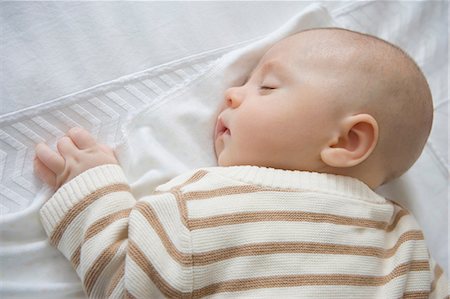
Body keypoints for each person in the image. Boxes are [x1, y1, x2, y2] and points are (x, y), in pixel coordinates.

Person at [35, 28, 448, 298]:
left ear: (347, 140)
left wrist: (91, 191)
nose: (232, 93)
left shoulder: (201, 206)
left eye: (266, 86)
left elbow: (122, 280)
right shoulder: (406, 246)